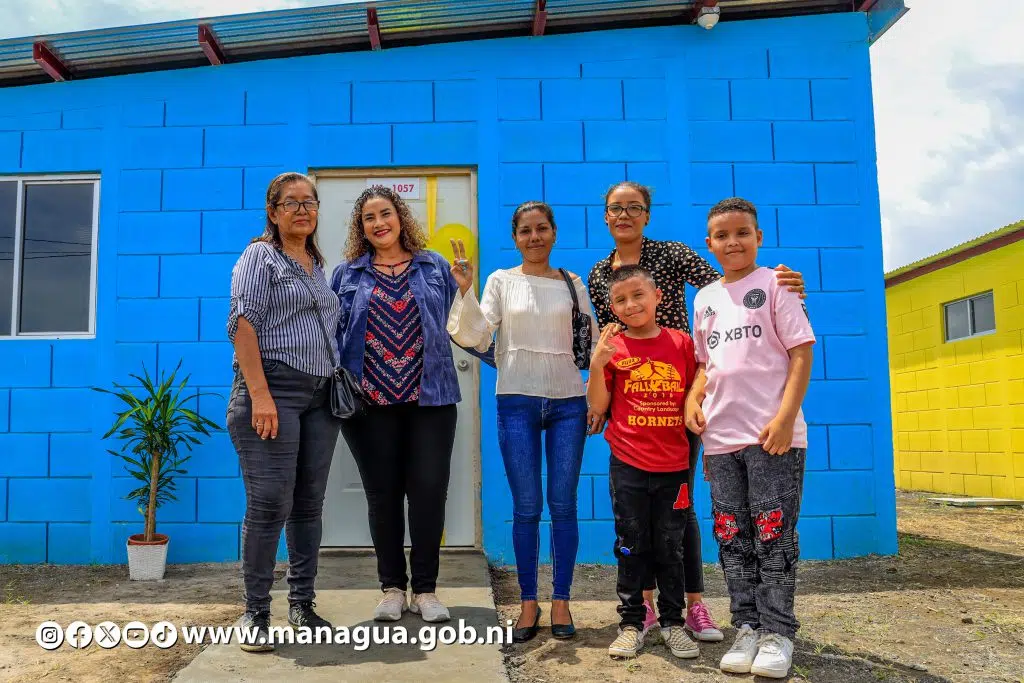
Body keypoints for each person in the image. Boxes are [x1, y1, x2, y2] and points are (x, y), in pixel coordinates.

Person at [587, 181, 807, 642]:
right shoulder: (598, 273)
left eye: (634, 207)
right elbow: (609, 340)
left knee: (679, 510)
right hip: (637, 406)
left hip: (684, 398)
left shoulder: (672, 253)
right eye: (615, 208)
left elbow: (728, 287)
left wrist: (786, 286)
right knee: (637, 518)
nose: (624, 215)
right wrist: (600, 389)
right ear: (605, 216)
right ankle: (645, 609)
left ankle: (694, 605)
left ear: (647, 214)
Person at [447, 201, 599, 643]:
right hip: (516, 401)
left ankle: (562, 601)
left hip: (569, 402)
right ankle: (529, 603)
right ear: (515, 238)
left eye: (542, 228)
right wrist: (465, 290)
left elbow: (592, 345)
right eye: (525, 231)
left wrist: (596, 396)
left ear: (554, 233)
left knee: (564, 505)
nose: (534, 237)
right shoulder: (501, 280)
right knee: (527, 507)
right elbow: (477, 335)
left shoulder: (573, 283)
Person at [685, 197, 815, 679]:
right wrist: (692, 398)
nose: (733, 242)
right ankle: (747, 627)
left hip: (771, 437)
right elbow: (705, 364)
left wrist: (785, 418)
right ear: (709, 243)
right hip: (721, 440)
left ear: (758, 237)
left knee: (773, 538)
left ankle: (778, 633)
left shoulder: (777, 284)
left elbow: (801, 352)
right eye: (722, 235)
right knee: (732, 538)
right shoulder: (704, 298)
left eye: (742, 233)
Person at [330, 185, 464, 624]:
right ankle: (391, 588)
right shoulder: (347, 274)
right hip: (368, 406)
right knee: (383, 495)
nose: (379, 223)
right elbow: (330, 337)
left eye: (385, 213)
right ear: (361, 228)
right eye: (369, 218)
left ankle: (425, 590)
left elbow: (462, 326)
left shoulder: (434, 266)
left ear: (400, 217)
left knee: (428, 493)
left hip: (432, 400)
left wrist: (465, 291)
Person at [226, 171, 341, 652]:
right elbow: (242, 323)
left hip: (320, 397)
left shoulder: (316, 264)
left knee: (309, 504)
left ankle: (302, 604)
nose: (302, 210)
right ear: (273, 212)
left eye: (309, 202)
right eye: (291, 203)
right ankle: (255, 613)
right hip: (272, 390)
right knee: (270, 502)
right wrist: (260, 395)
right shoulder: (261, 256)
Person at [586, 264, 701, 660]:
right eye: (620, 300)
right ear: (612, 307)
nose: (631, 304)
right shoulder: (613, 348)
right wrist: (597, 364)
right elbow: (598, 405)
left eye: (638, 295)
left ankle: (673, 623)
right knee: (630, 545)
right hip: (628, 465)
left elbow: (698, 386)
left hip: (674, 466)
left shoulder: (681, 343)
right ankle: (632, 623)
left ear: (657, 298)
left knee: (671, 546)